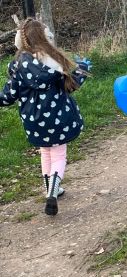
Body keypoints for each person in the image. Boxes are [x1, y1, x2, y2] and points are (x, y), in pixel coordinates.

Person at [0, 19, 91, 215]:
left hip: (33, 121)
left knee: (45, 152)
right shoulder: (56, 62)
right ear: (45, 37)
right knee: (58, 154)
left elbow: (8, 95)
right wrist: (82, 69)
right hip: (58, 118)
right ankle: (52, 191)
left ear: (21, 41)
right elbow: (72, 84)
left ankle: (51, 188)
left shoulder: (17, 66)